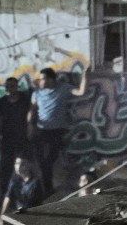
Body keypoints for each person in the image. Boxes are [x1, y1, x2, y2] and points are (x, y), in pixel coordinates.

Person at [29, 66, 89, 195]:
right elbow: (32, 111)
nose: (40, 81)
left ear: (51, 79)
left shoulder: (63, 89)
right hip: (41, 131)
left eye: (43, 79)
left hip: (56, 132)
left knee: (50, 161)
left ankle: (49, 189)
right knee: (41, 162)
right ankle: (46, 189)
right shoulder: (37, 93)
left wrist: (84, 75)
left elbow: (80, 92)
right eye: (40, 79)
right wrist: (30, 126)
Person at [0, 76, 32, 197]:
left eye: (12, 86)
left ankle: (25, 195)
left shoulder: (24, 99)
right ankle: (5, 195)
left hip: (22, 138)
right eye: (7, 87)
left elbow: (30, 116)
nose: (9, 89)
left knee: (24, 167)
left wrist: (31, 131)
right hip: (7, 138)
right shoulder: (2, 101)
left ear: (16, 87)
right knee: (5, 169)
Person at [0, 156, 45, 225]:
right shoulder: (14, 179)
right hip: (20, 213)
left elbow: (36, 204)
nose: (19, 167)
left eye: (22, 164)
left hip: (33, 216)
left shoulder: (35, 182)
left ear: (29, 165)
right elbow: (8, 196)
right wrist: (2, 215)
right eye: (17, 163)